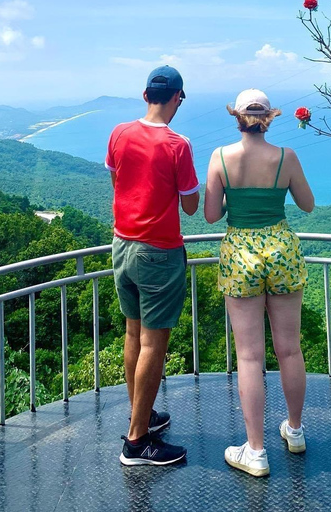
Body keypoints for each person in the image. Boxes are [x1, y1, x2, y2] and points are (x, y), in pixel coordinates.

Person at [204, 89, 314, 477]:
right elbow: (307, 204)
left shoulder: (220, 157)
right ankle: (296, 432)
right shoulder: (286, 157)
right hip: (282, 250)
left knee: (250, 356)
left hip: (240, 254)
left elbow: (212, 215)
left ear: (238, 118)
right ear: (269, 118)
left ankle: (256, 451)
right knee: (290, 349)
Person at [105, 65, 200, 466]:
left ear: (146, 96)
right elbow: (192, 205)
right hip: (158, 253)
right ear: (177, 97)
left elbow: (117, 183)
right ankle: (137, 441)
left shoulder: (119, 133)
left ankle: (140, 415)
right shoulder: (178, 144)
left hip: (121, 245)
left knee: (133, 334)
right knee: (153, 345)